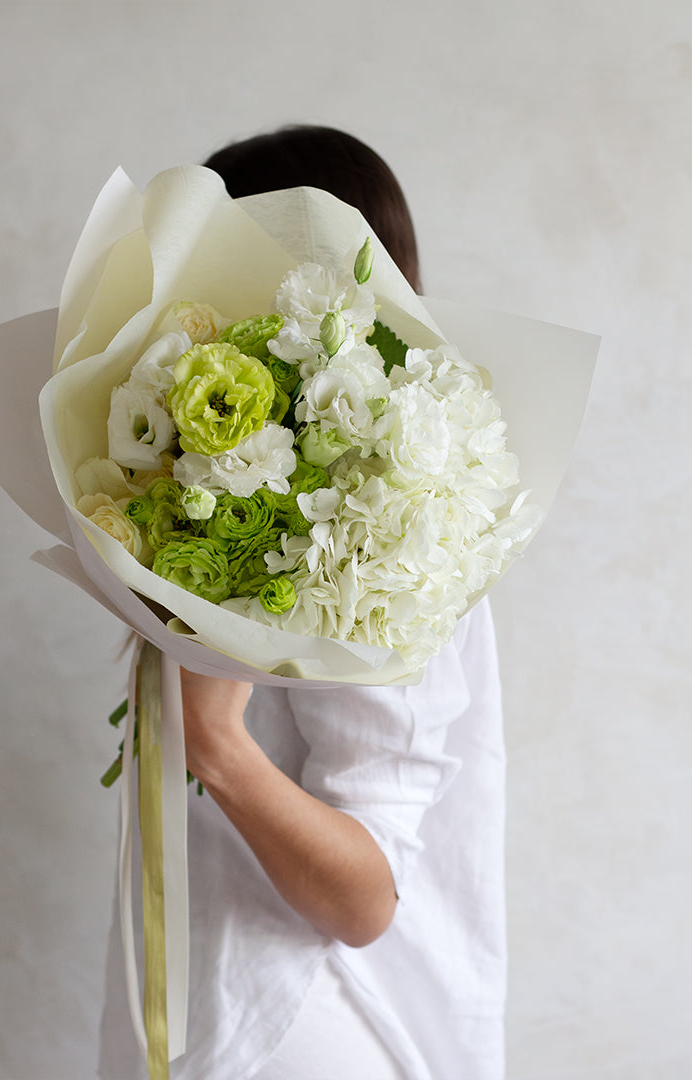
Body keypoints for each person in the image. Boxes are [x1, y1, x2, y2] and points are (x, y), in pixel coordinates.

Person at [98, 126, 506, 1080]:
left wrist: (217, 745)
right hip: (208, 1004)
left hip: (306, 1023)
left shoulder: (391, 527)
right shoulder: (234, 493)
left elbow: (367, 900)